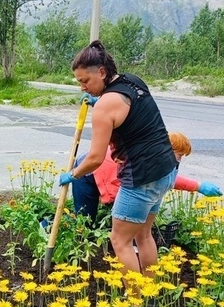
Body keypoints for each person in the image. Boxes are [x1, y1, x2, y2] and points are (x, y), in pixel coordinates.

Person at [58, 40, 178, 286]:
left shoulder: (105, 106)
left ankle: (134, 302)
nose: (82, 87)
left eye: (85, 81)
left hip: (141, 177)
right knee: (143, 235)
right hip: (165, 170)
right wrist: (99, 99)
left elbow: (94, 159)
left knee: (120, 241)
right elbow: (131, 114)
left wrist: (73, 174)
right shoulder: (132, 81)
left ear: (102, 72)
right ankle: (148, 291)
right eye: (79, 82)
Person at [72, 130, 223, 223]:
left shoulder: (158, 158)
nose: (180, 159)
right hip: (86, 171)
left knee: (122, 221)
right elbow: (120, 190)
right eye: (179, 154)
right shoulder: (145, 159)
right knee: (85, 218)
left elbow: (165, 179)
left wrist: (198, 186)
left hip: (109, 172)